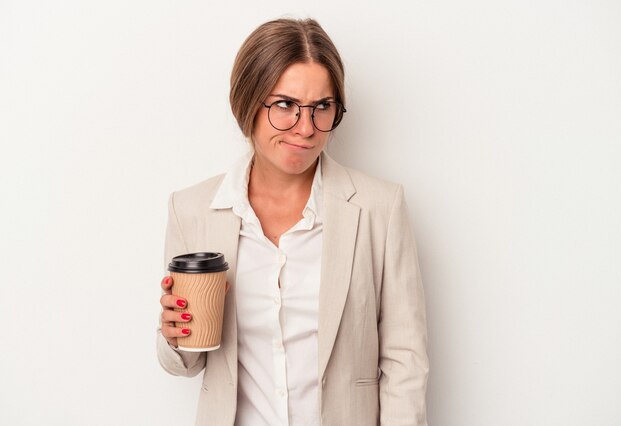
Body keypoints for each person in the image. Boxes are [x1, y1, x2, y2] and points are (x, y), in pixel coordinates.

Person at [157, 18, 428, 426]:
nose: (306, 128)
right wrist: (175, 334)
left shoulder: (379, 209)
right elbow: (185, 364)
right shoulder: (194, 209)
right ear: (247, 102)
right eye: (284, 105)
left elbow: (405, 362)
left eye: (322, 107)